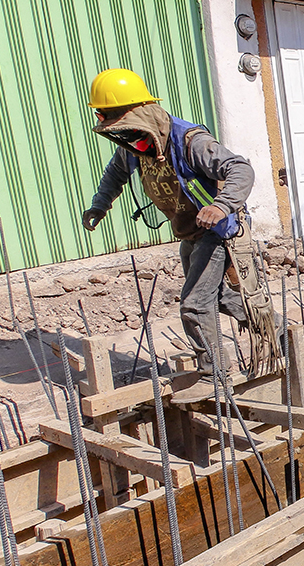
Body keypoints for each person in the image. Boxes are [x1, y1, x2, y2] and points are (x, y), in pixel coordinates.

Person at [81, 68, 255, 404]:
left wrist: (221, 206)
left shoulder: (192, 142)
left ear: (145, 116)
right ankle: (278, 333)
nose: (132, 144)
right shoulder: (135, 143)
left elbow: (240, 169)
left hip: (217, 233)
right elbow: (115, 174)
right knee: (222, 299)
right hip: (189, 231)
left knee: (194, 304)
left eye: (132, 133)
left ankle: (215, 377)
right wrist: (100, 206)